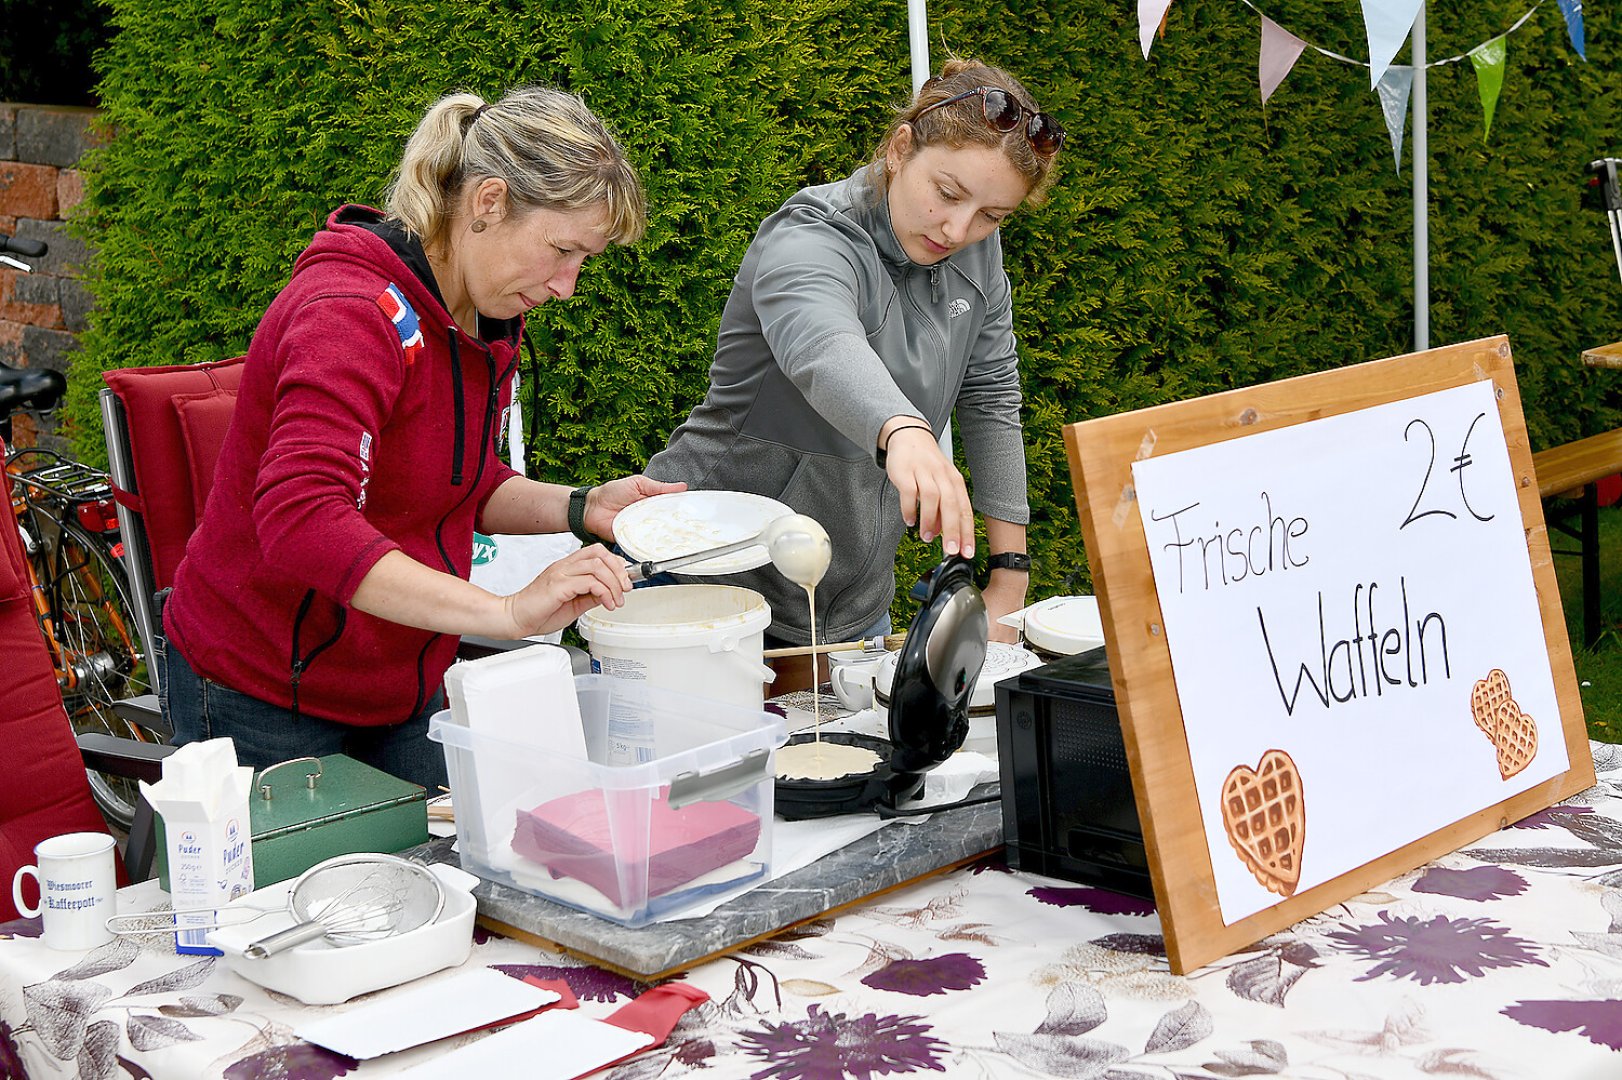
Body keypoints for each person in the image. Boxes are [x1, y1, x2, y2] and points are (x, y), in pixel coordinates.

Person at [159, 86, 683, 789]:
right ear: (488, 202)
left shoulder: (476, 311)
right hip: (261, 693)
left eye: (583, 260)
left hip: (398, 689)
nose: (567, 285)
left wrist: (582, 506)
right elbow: (302, 521)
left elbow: (455, 477)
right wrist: (505, 612)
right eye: (562, 250)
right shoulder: (352, 313)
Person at [645, 59, 1062, 663]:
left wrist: (1009, 578)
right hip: (707, 589)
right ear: (899, 150)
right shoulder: (809, 235)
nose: (959, 227)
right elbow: (821, 344)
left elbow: (992, 397)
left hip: (853, 611)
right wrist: (904, 430)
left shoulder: (979, 255)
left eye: (992, 215)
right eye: (947, 193)